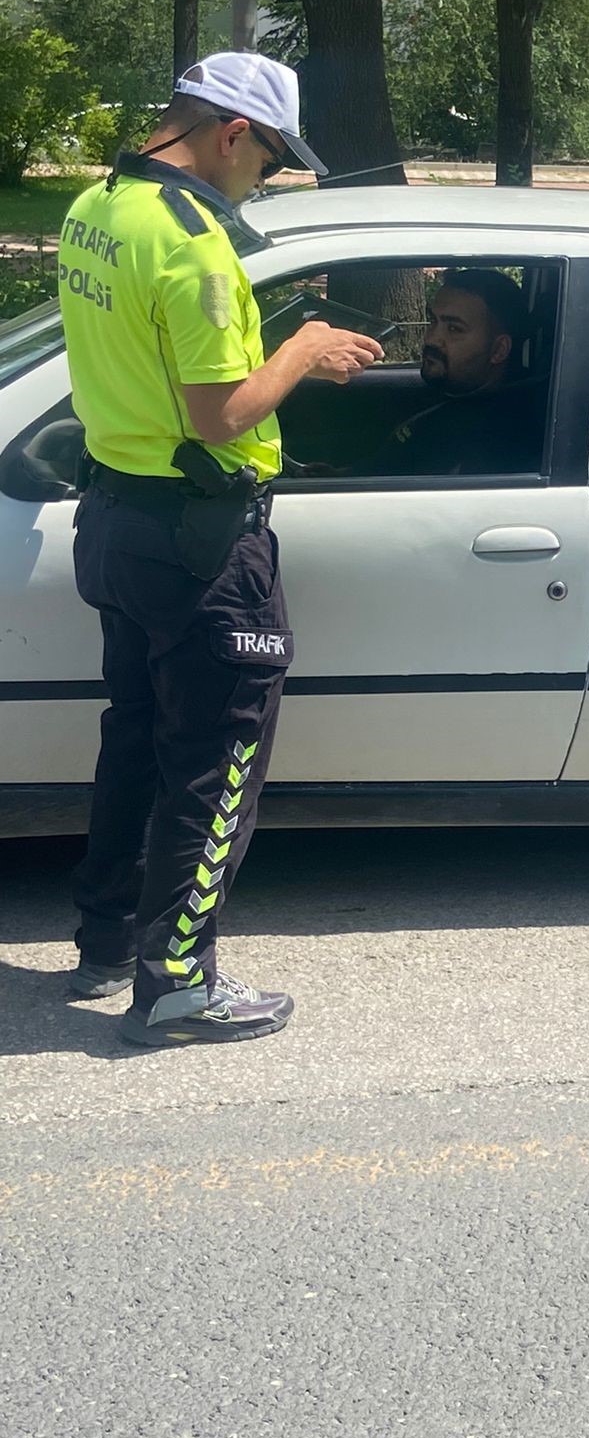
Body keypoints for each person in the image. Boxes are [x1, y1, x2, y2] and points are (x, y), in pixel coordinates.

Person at [59, 52, 383, 1047]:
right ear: (232, 133)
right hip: (201, 539)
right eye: (271, 159)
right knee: (218, 760)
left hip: (116, 520)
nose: (266, 179)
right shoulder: (194, 245)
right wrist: (303, 349)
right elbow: (217, 413)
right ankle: (179, 985)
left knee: (138, 740)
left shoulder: (95, 207)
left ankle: (108, 934)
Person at [363, 266, 544, 477]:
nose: (431, 339)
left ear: (498, 350)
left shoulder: (495, 439)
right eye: (433, 321)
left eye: (454, 329)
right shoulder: (462, 400)